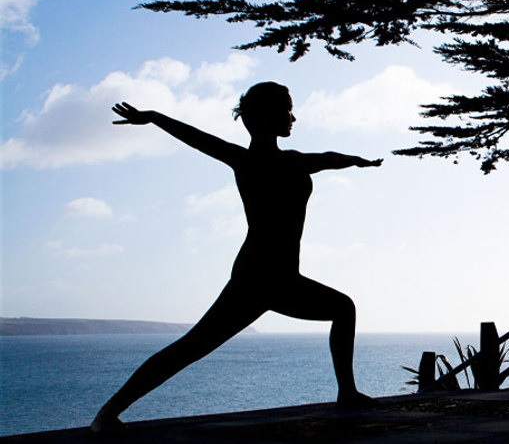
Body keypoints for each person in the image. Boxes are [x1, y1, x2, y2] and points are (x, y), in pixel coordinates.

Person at [92, 82, 381, 434]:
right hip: (255, 277)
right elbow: (196, 138)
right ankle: (107, 413)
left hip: (284, 278)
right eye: (287, 110)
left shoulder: (293, 161)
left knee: (343, 308)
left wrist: (357, 161)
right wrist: (154, 117)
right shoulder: (247, 161)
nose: (293, 118)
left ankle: (347, 393)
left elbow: (329, 159)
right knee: (192, 347)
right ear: (266, 116)